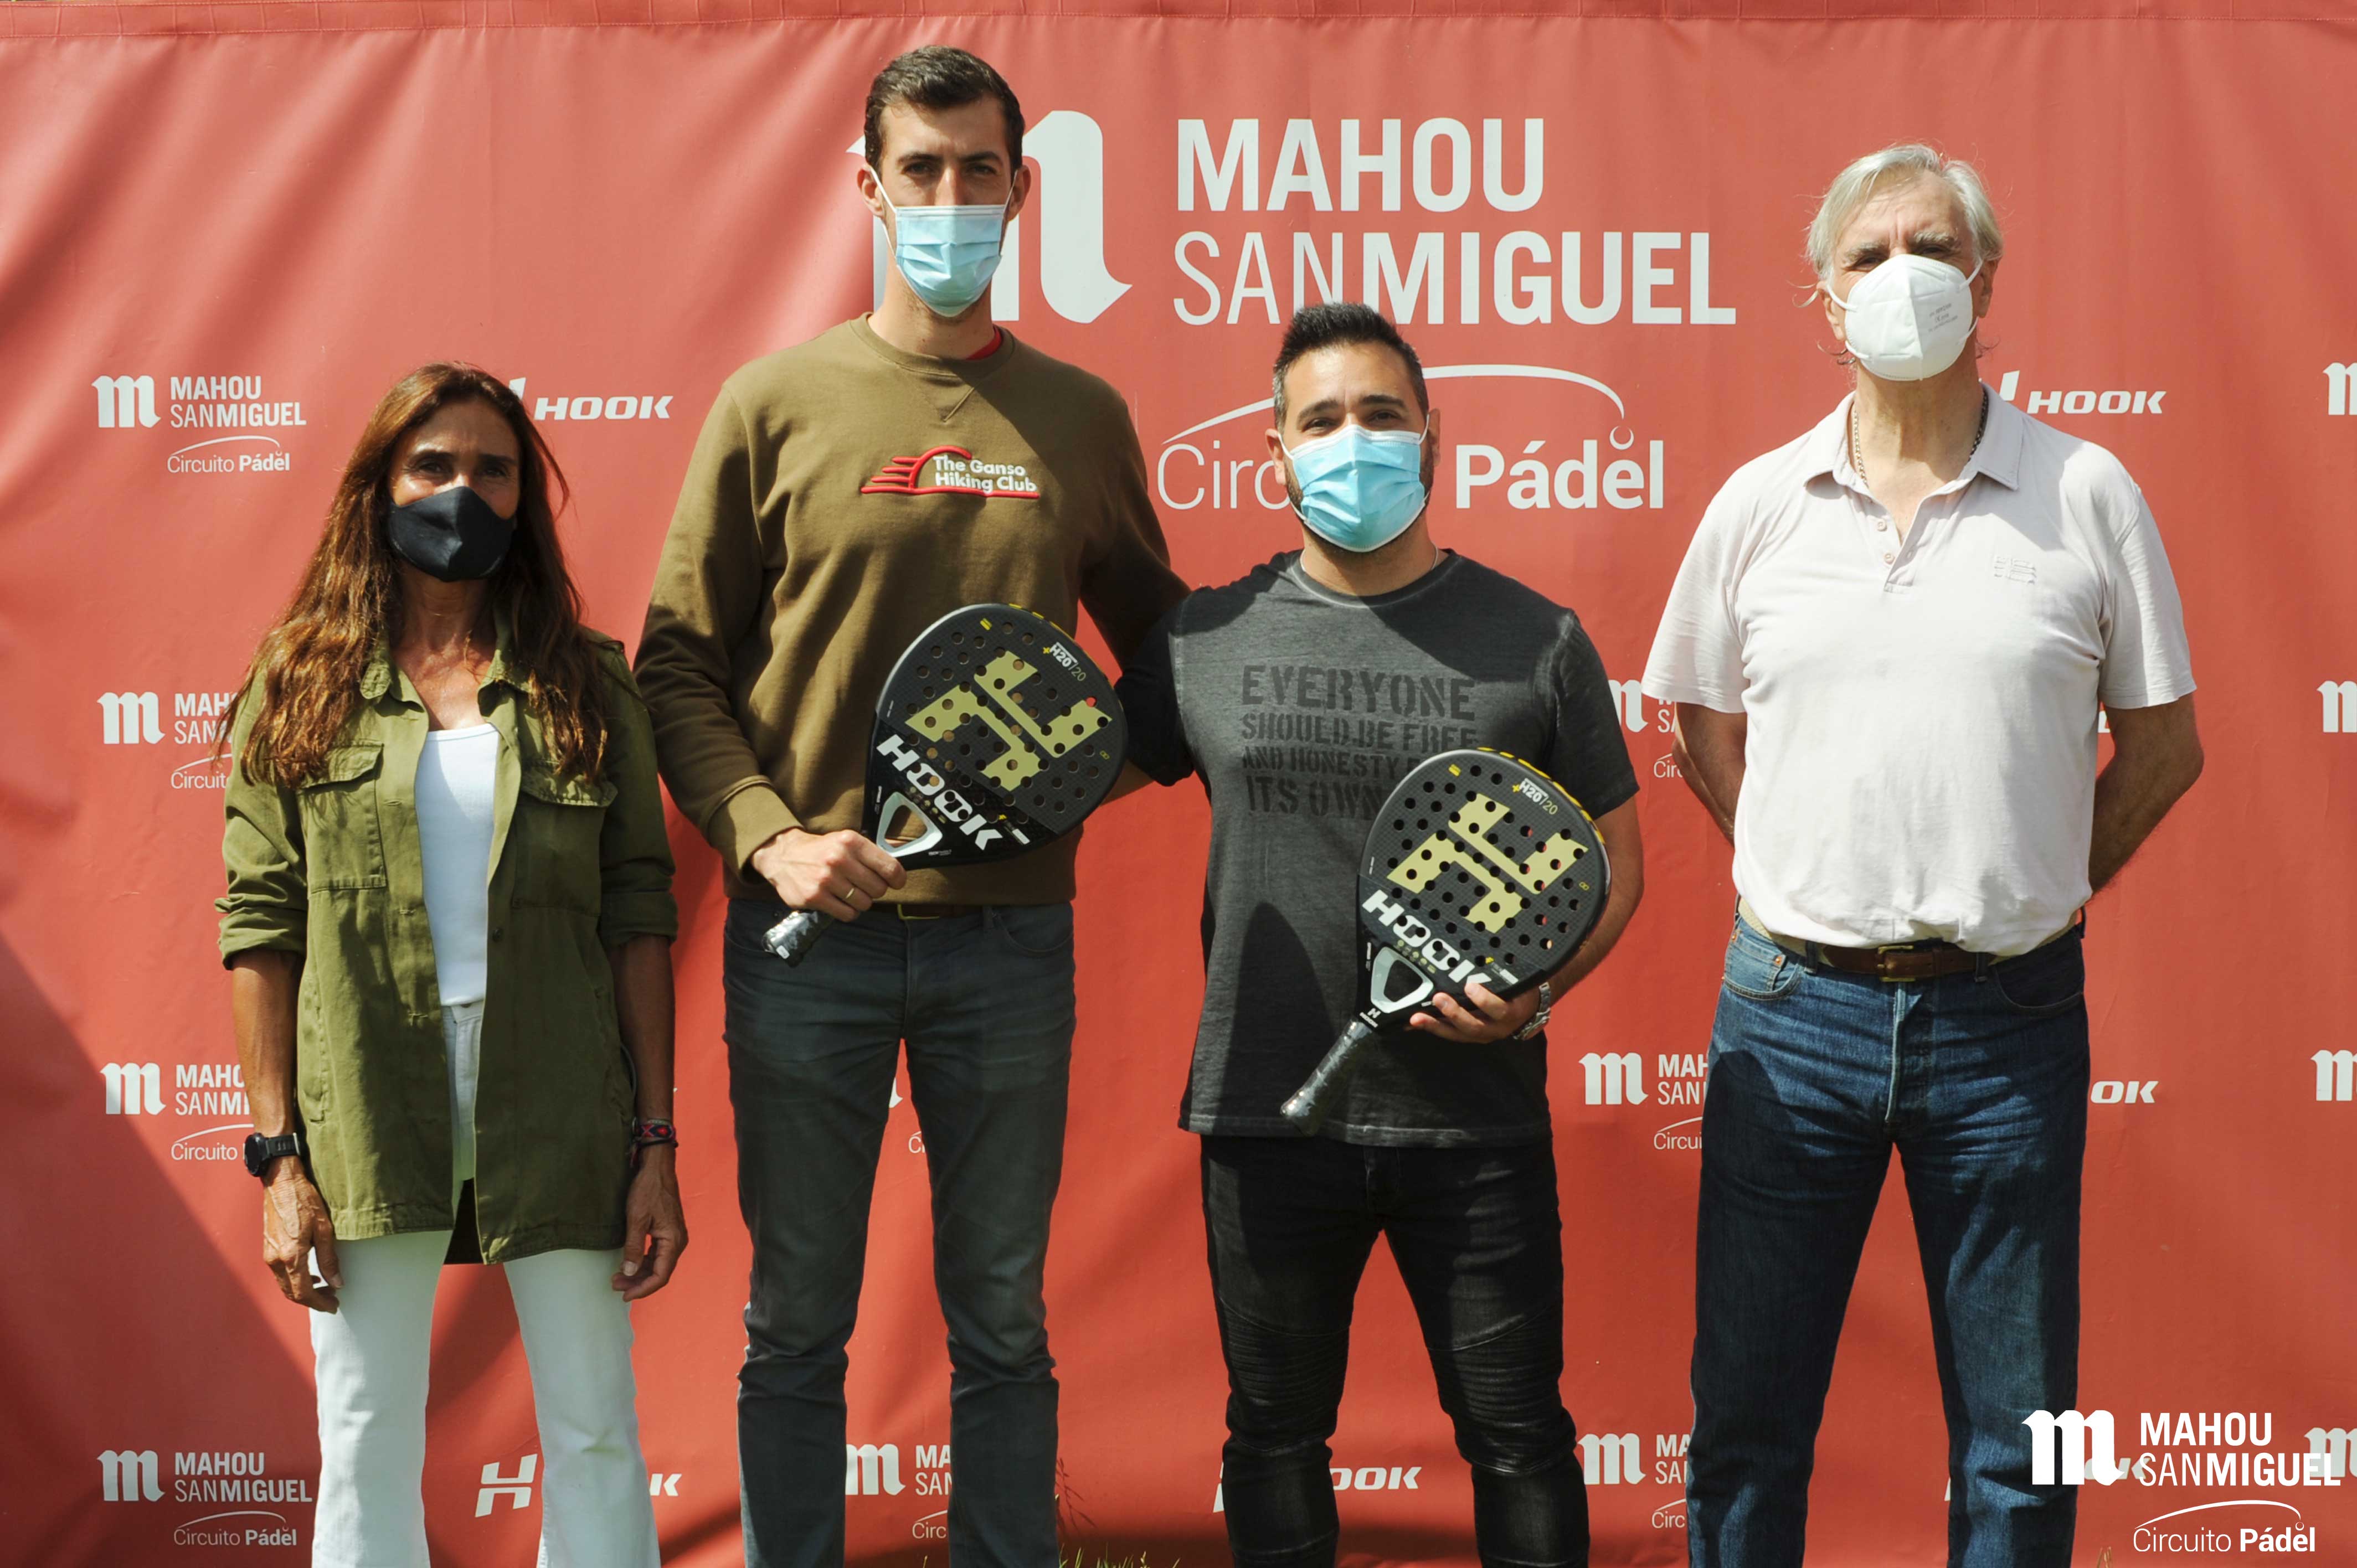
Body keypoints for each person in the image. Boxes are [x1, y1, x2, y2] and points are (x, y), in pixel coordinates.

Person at [632, 45, 1187, 1568]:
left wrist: (1053, 793)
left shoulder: (1079, 417)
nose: (950, 198)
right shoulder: (772, 404)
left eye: (977, 171)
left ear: (1023, 189)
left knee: (1001, 1320)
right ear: (868, 188)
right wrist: (772, 839)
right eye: (921, 171)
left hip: (1008, 950)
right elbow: (675, 665)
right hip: (804, 943)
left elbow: (1169, 671)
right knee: (795, 1322)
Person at [1641, 144, 2202, 1567]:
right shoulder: (1758, 504)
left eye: (1934, 248)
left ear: (1986, 281)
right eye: (1869, 254)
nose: (1904, 276)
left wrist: (2036, 879)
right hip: (1790, 1015)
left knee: (2024, 1444)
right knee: (1745, 1428)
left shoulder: (2085, 490)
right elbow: (1694, 718)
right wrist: (1792, 860)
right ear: (1823, 301)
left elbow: (2164, 747)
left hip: (2010, 1019)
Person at [1116, 302, 1645, 1568]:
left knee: (1516, 1437)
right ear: (1276, 454)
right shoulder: (1201, 638)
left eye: (1380, 415)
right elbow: (1066, 783)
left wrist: (1535, 997)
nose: (1352, 441)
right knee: (1274, 1436)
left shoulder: (1537, 640)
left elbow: (1617, 869)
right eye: (1321, 421)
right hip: (1266, 1112)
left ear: (1432, 438)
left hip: (1475, 1125)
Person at [218, 363, 685, 1568]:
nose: (462, 491)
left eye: (493, 469)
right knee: (365, 1428)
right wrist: (279, 1157)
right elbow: (261, 923)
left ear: (526, 497)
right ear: (377, 486)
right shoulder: (300, 681)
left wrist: (655, 1143)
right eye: (432, 465)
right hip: (370, 1099)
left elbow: (639, 914)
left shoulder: (588, 680)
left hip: (561, 1096)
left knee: (593, 1425)